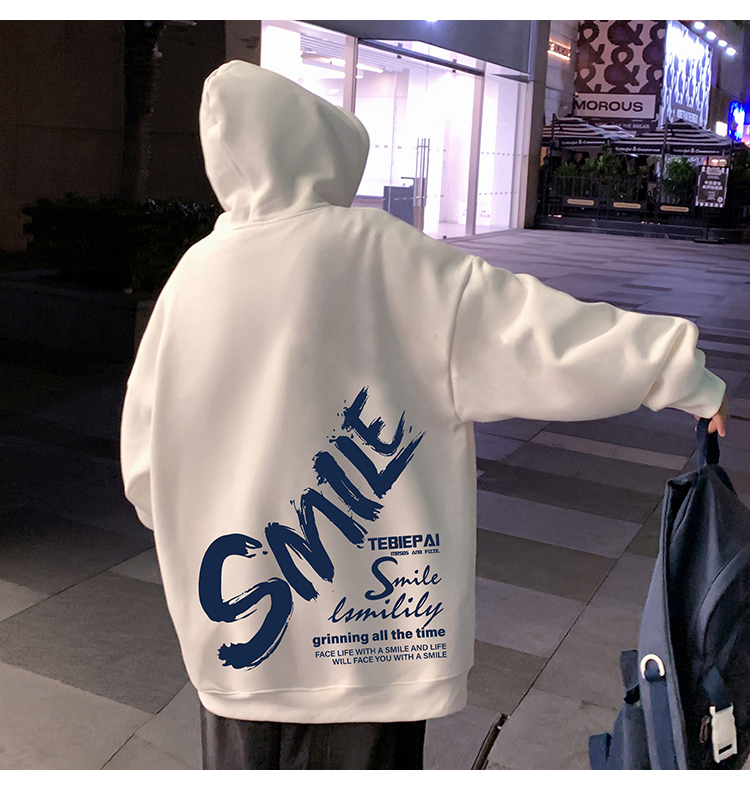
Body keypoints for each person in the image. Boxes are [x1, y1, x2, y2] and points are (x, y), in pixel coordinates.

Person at [120, 61, 729, 771]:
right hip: (372, 650)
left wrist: (206, 522)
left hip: (237, 649)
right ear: (323, 149)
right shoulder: (384, 254)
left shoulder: (194, 276)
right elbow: (537, 337)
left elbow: (145, 470)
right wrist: (678, 370)